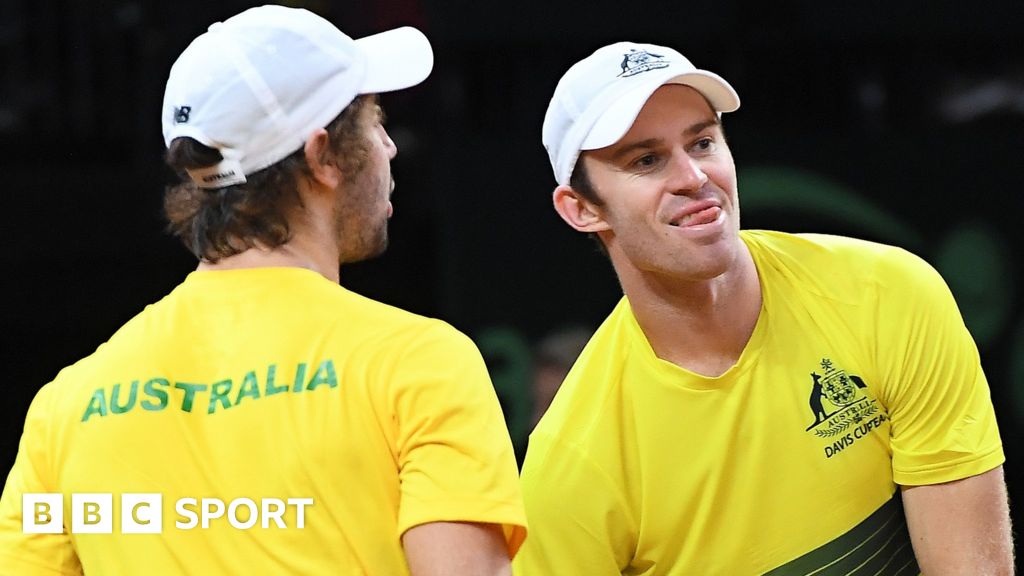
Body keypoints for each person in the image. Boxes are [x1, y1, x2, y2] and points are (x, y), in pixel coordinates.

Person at [0, 6, 525, 575]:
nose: (390, 148)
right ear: (323, 155)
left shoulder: (67, 408)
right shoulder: (419, 364)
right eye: (377, 121)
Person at [514, 40, 1013, 575]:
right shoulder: (571, 465)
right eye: (647, 160)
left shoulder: (889, 293)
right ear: (582, 209)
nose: (693, 176)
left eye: (702, 142)